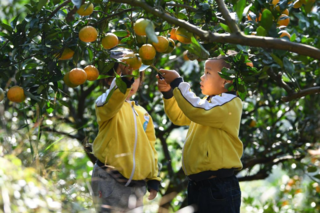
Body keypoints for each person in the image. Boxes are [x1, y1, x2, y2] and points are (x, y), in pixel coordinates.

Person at [157, 55, 243, 213]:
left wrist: (177, 83)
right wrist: (169, 93)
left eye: (208, 73)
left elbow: (195, 111)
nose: (202, 77)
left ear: (226, 81)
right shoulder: (209, 104)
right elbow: (180, 116)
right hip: (199, 186)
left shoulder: (229, 104)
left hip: (217, 187)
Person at [91, 51, 160, 213]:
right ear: (110, 80)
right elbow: (113, 100)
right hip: (109, 179)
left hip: (137, 186)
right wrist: (124, 81)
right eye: (123, 75)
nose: (130, 81)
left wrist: (153, 178)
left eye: (134, 76)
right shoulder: (105, 103)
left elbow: (150, 147)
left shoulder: (143, 114)